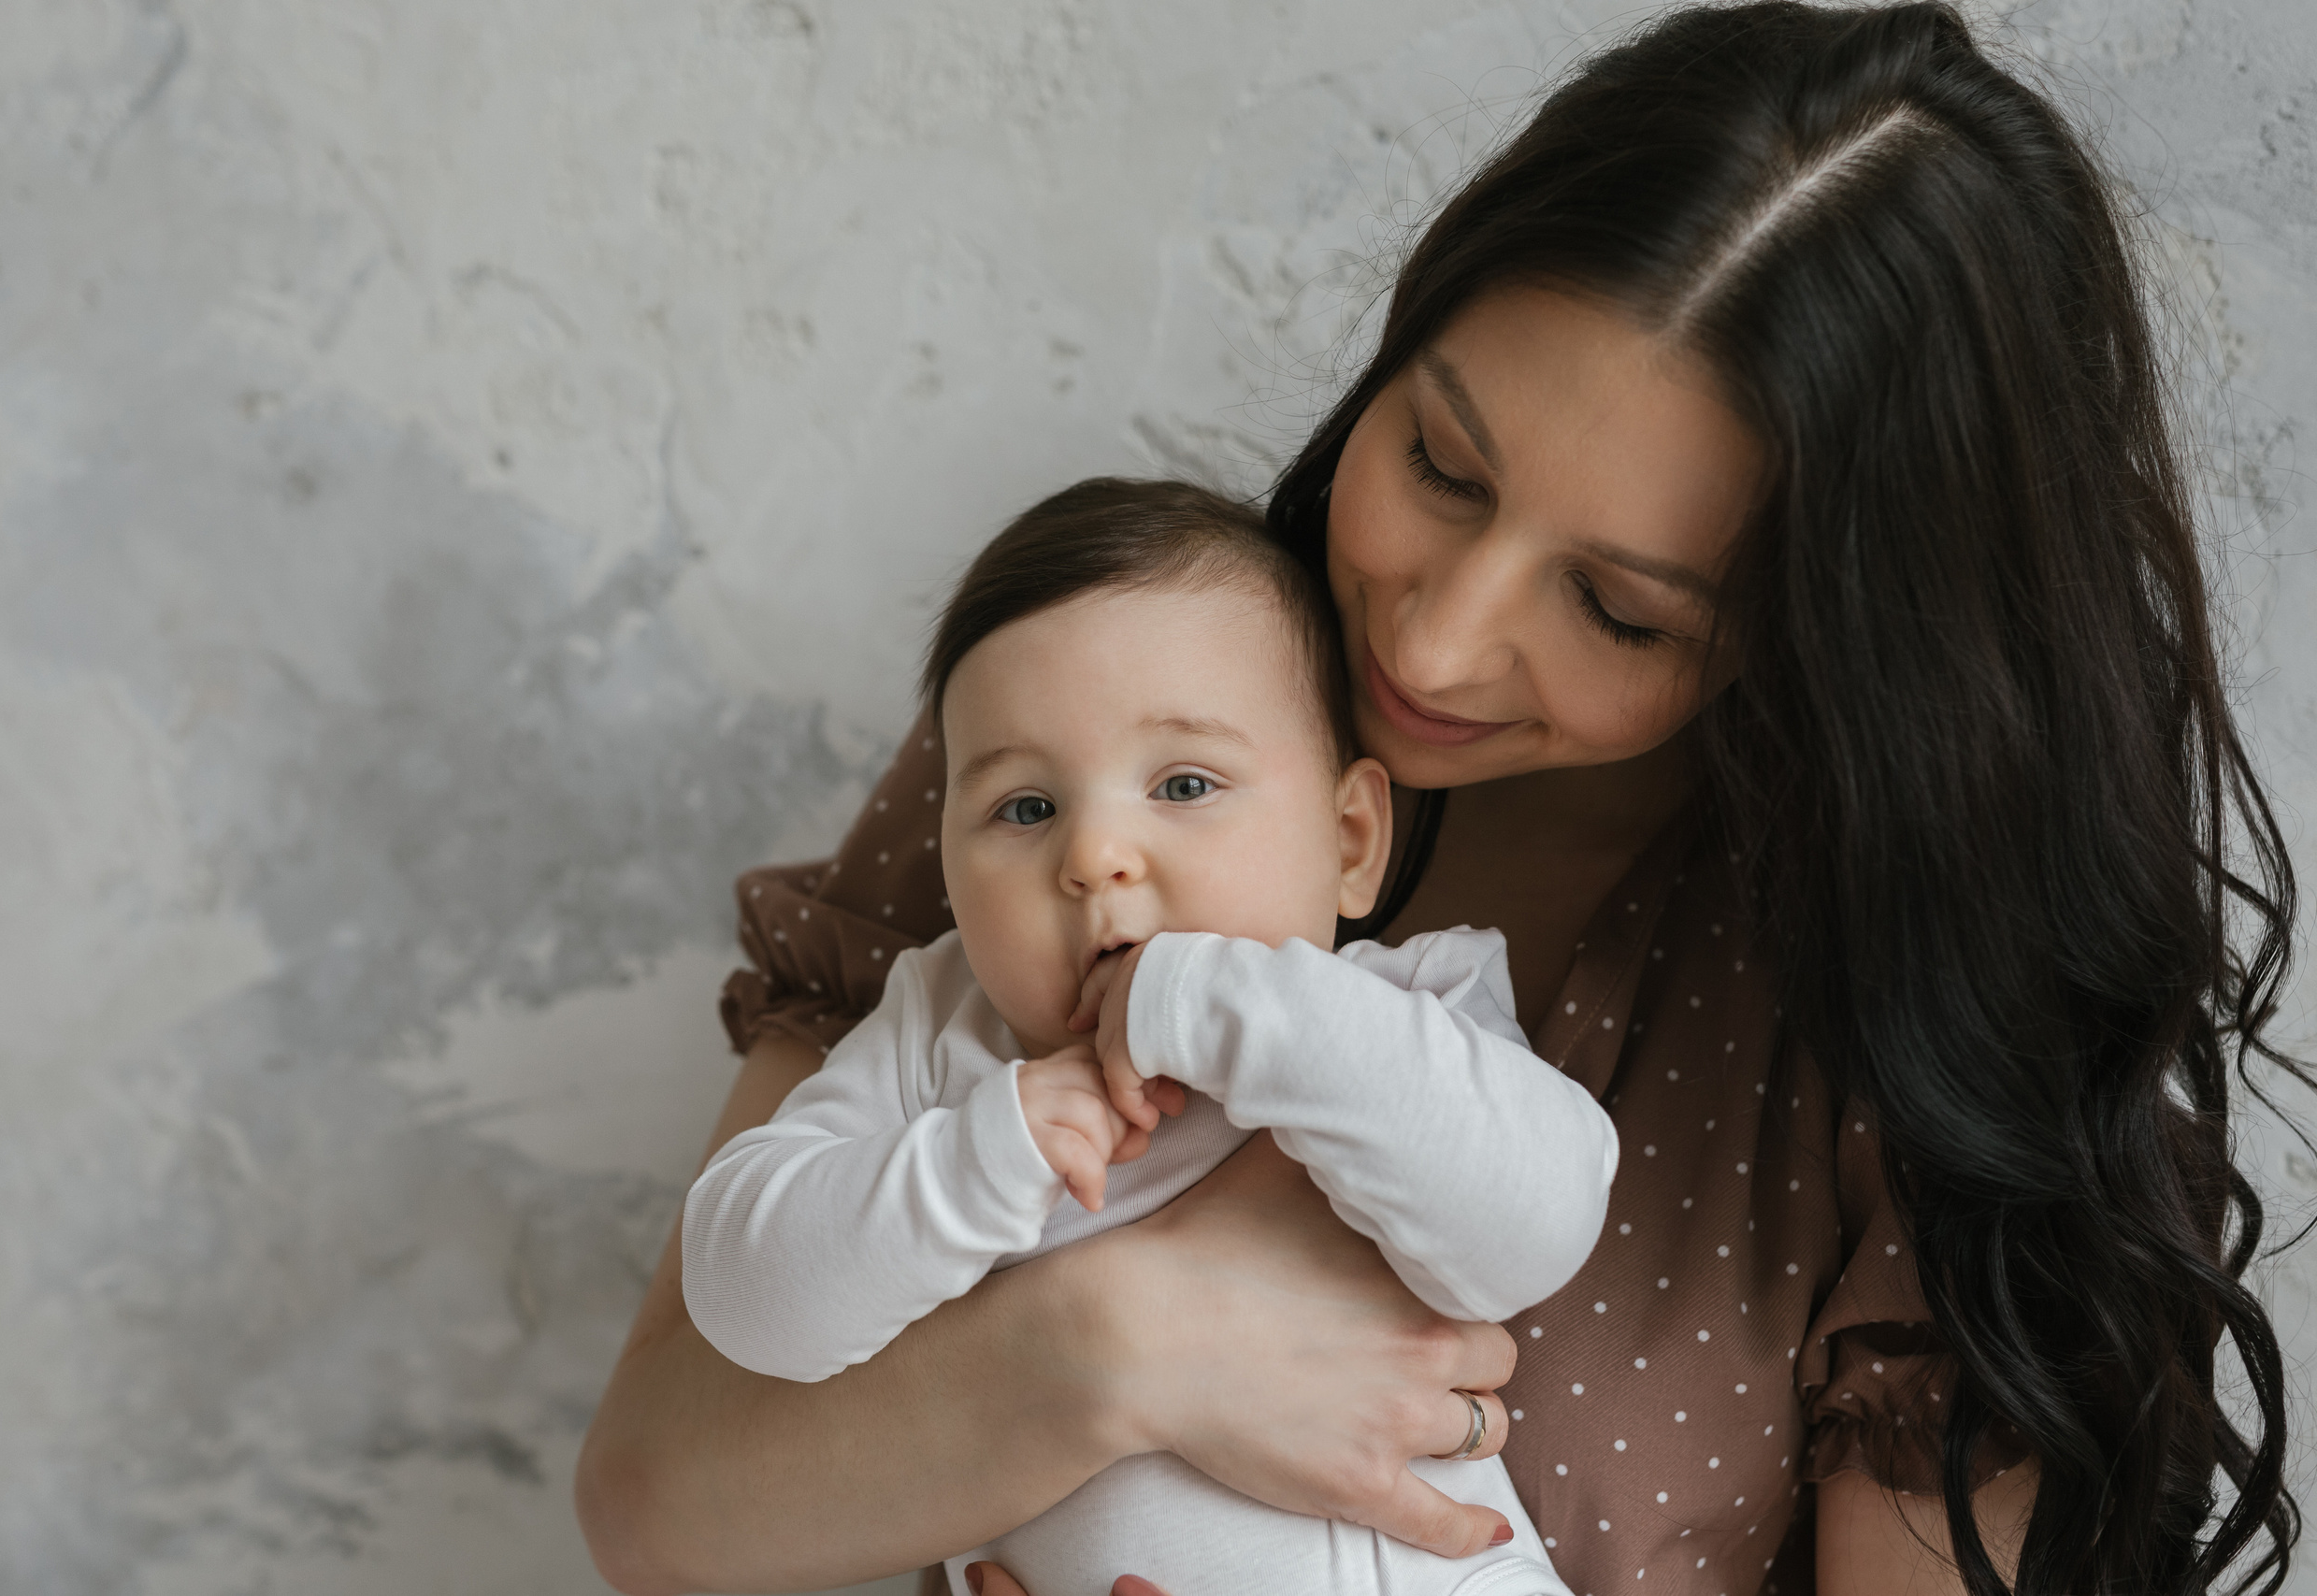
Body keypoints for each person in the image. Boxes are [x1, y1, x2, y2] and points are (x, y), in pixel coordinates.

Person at [575, 4, 2303, 1594]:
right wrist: (1108, 1348)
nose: (1436, 636)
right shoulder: (1091, 735)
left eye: (1619, 608)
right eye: (1440, 463)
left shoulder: (1911, 1058)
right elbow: (659, 1497)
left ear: (1839, 637)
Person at [681, 480, 1617, 1596]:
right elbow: (745, 1296)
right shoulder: (944, 1040)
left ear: (1350, 839)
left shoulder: (1407, 1010)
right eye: (1025, 809)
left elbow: (1533, 1227)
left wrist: (1230, 1009)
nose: (1094, 856)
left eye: (1183, 783)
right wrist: (974, 1162)